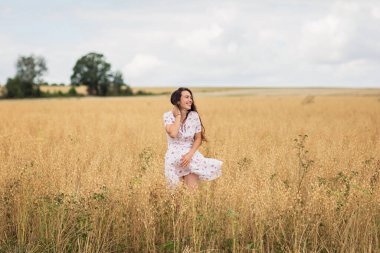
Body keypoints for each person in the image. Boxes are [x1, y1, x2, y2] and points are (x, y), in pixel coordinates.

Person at [163, 87, 222, 191]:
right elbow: (173, 133)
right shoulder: (168, 116)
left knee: (191, 194)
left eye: (191, 97)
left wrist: (189, 155)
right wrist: (178, 116)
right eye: (186, 97)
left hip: (191, 158)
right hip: (173, 160)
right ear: (178, 100)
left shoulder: (194, 116)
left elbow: (198, 139)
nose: (190, 100)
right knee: (175, 196)